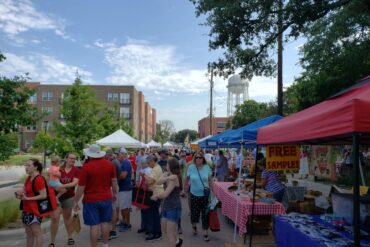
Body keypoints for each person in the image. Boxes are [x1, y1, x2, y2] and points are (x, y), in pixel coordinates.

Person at [73, 144, 118, 247]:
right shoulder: (110, 165)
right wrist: (114, 194)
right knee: (105, 222)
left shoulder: (86, 167)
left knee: (94, 225)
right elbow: (114, 181)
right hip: (106, 197)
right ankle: (105, 245)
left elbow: (81, 187)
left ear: (90, 154)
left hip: (90, 200)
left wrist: (76, 201)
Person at [16, 159, 57, 247]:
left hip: (35, 210)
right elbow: (25, 191)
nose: (26, 167)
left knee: (37, 232)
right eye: (25, 165)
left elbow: (44, 195)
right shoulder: (29, 178)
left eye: (29, 165)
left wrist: (27, 198)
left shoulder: (39, 179)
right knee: (29, 233)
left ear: (35, 167)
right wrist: (20, 194)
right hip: (26, 209)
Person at [50, 153, 80, 246]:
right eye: (71, 158)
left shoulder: (76, 170)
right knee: (55, 219)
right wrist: (56, 187)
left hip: (68, 197)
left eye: (74, 159)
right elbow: (51, 180)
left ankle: (70, 237)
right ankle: (52, 241)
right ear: (66, 159)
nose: (73, 160)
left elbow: (74, 183)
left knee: (67, 218)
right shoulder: (59, 168)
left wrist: (61, 186)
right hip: (56, 197)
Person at [151, 158, 183, 247]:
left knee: (169, 233)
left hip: (174, 207)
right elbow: (158, 182)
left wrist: (156, 196)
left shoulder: (175, 177)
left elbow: (165, 194)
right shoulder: (168, 174)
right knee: (165, 229)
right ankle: (177, 241)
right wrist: (167, 176)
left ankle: (175, 242)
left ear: (171, 166)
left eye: (167, 165)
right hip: (166, 206)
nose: (166, 166)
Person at [186, 152, 214, 242]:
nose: (198, 159)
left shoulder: (207, 168)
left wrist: (214, 192)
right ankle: (194, 226)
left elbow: (210, 181)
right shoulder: (191, 167)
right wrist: (184, 188)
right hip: (194, 194)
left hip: (205, 195)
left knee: (205, 214)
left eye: (200, 157)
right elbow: (186, 179)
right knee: (194, 214)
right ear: (195, 159)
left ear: (203, 159)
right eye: (197, 157)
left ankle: (205, 232)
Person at [145, 154, 164, 241]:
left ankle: (156, 233)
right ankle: (156, 232)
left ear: (152, 161)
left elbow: (150, 181)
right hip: (157, 192)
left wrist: (145, 177)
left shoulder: (155, 169)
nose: (148, 165)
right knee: (155, 214)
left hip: (155, 193)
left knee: (154, 214)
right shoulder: (157, 167)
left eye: (149, 163)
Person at [105, 150, 121, 239]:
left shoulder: (112, 162)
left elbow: (114, 178)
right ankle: (112, 230)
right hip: (113, 186)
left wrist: (114, 190)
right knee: (113, 209)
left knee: (112, 209)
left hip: (111, 187)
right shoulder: (115, 161)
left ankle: (113, 230)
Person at [116, 148, 133, 232]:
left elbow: (123, 176)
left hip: (125, 188)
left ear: (123, 154)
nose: (117, 156)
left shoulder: (126, 162)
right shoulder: (123, 162)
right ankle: (124, 222)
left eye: (118, 155)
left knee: (125, 207)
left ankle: (127, 224)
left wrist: (114, 177)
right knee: (122, 207)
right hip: (123, 188)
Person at [137, 160, 152, 235]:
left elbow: (149, 180)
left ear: (147, 163)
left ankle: (148, 228)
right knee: (143, 209)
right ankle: (144, 226)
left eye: (144, 163)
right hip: (142, 190)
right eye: (141, 163)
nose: (142, 164)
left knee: (147, 210)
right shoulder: (142, 170)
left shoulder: (149, 170)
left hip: (147, 191)